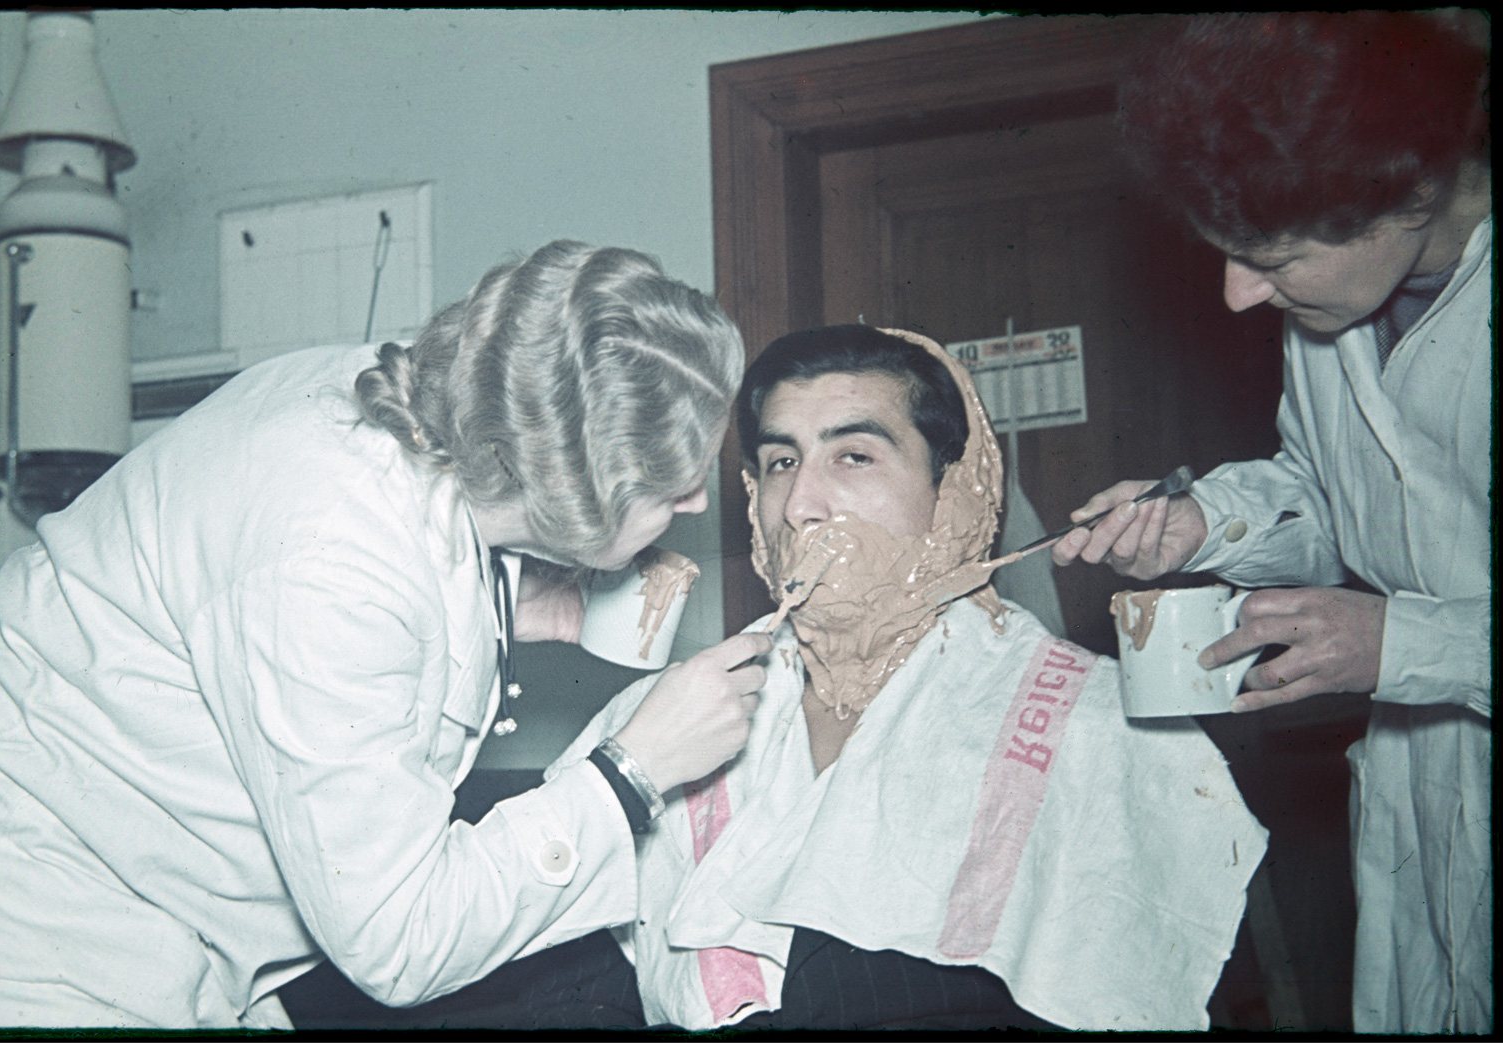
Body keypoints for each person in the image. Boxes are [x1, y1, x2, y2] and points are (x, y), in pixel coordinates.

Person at [0, 240, 771, 1028]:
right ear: (576, 497)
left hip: (155, 887)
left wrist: (516, 601)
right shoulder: (330, 551)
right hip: (34, 907)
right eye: (671, 489)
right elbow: (400, 940)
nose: (696, 505)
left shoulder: (414, 400)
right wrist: (633, 771)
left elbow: (376, 582)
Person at [546, 325, 1268, 1031]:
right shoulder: (665, 717)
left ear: (952, 493)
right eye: (780, 463)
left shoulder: (1084, 721)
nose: (802, 506)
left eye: (853, 456)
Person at [1050, 13, 1491, 1034]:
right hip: (1420, 808)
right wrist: (1205, 522)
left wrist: (1401, 641)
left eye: (1271, 258)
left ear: (1413, 191)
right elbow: (1330, 497)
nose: (1237, 294)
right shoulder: (1334, 307)